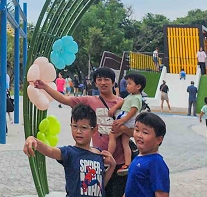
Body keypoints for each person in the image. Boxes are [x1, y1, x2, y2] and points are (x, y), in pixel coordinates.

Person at [34, 67, 125, 197]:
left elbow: (133, 130)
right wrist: (45, 87)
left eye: (106, 79)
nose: (103, 82)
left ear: (113, 82)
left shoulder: (121, 103)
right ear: (95, 82)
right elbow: (64, 100)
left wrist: (120, 130)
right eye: (99, 79)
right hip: (98, 158)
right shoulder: (90, 101)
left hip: (119, 162)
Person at [23, 104, 115, 197]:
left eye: (83, 127)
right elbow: (49, 150)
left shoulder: (99, 154)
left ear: (94, 130)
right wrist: (33, 140)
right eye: (75, 126)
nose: (78, 131)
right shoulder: (69, 152)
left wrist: (112, 166)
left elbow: (101, 184)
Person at [125, 113, 170, 197]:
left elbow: (161, 194)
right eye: (137, 130)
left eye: (145, 132)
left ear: (158, 139)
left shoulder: (156, 163)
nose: (139, 135)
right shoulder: (137, 158)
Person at [107, 72, 146, 171]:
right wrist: (114, 107)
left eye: (129, 83)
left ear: (138, 86)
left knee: (112, 135)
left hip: (127, 118)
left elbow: (133, 111)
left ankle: (108, 158)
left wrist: (122, 120)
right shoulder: (131, 96)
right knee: (125, 142)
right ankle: (127, 163)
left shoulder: (137, 98)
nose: (127, 86)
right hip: (127, 119)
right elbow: (122, 102)